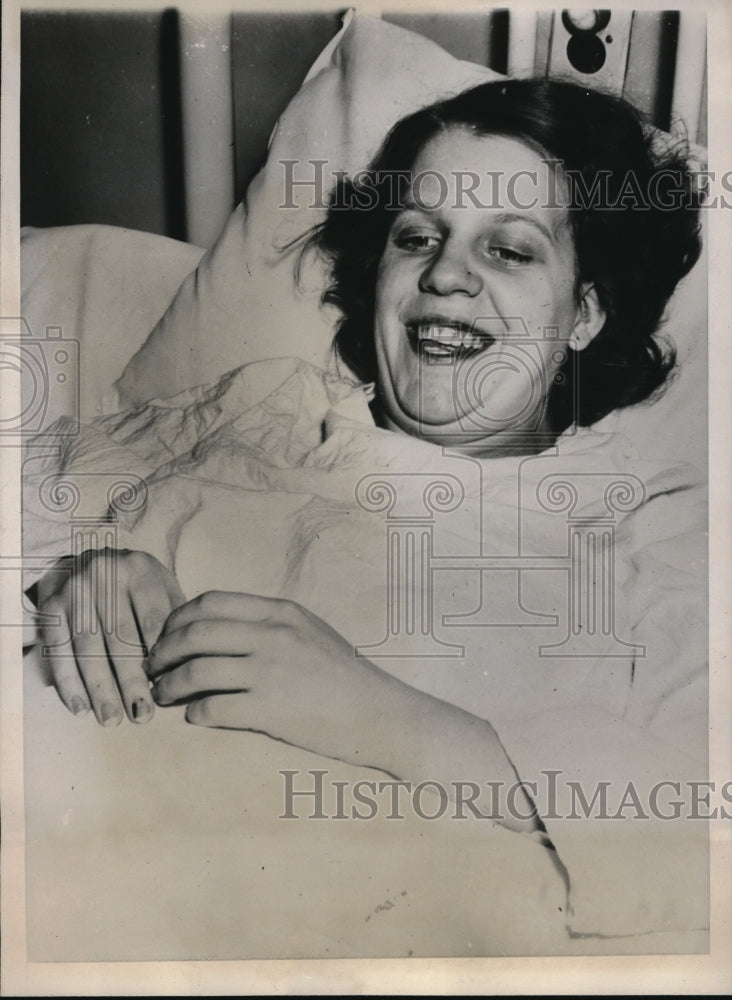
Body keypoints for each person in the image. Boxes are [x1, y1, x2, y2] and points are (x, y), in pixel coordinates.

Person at [32, 79, 702, 842]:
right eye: (416, 237)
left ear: (584, 313)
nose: (444, 274)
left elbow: (695, 822)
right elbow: (34, 491)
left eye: (509, 250)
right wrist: (75, 567)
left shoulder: (645, 526)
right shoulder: (264, 406)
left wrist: (385, 719)